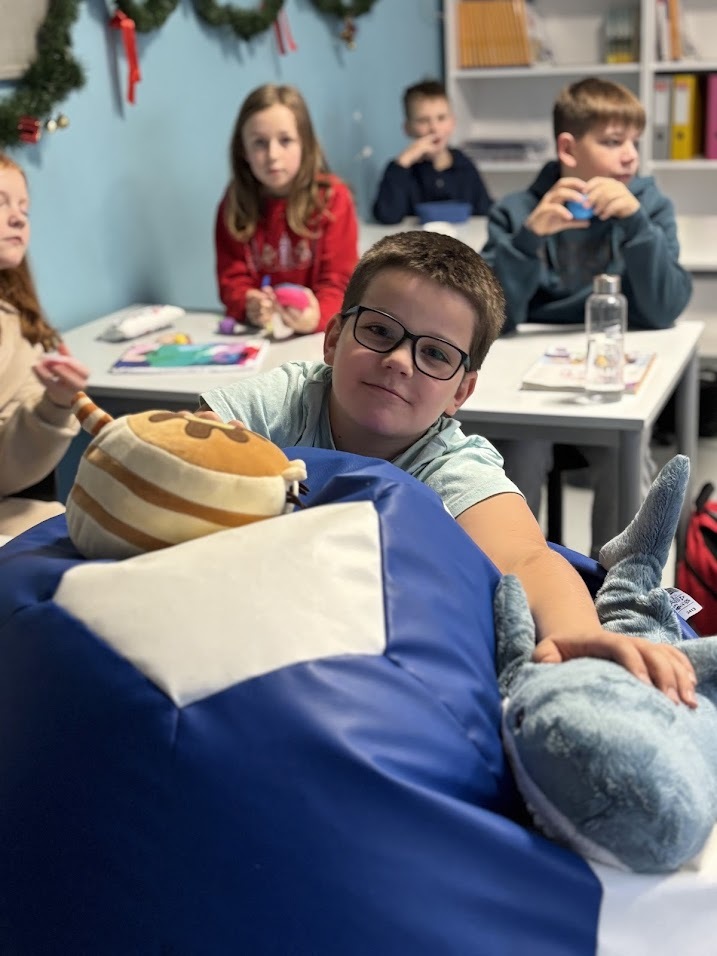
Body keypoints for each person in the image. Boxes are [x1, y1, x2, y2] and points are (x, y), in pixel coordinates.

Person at [195, 229, 696, 707]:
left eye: (435, 353)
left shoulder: (450, 461)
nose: (399, 360)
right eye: (378, 330)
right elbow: (189, 448)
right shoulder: (288, 398)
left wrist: (578, 636)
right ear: (333, 340)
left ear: (461, 391)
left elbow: (527, 558)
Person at [481, 77, 693, 557]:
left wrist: (636, 226)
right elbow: (492, 317)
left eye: (634, 142)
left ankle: (615, 587)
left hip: (609, 385)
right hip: (526, 391)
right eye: (613, 142)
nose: (631, 157)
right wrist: (528, 240)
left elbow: (664, 307)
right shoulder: (517, 211)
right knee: (511, 459)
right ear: (568, 149)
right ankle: (519, 578)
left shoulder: (649, 206)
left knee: (627, 464)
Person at [215, 83, 359, 336]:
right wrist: (249, 304)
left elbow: (340, 283)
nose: (273, 155)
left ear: (305, 144)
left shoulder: (333, 199)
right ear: (243, 151)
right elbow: (231, 281)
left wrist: (316, 317)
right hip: (260, 338)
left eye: (285, 140)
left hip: (318, 338)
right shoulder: (234, 204)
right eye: (259, 143)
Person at [0, 152, 90, 537]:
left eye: (24, 208)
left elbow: (7, 469)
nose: (18, 218)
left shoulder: (21, 331)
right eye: (1, 203)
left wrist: (54, 405)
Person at [372, 79, 492, 225]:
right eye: (423, 120)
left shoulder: (464, 167)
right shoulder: (401, 171)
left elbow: (485, 214)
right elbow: (387, 216)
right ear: (407, 128)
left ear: (452, 122)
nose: (434, 128)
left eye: (441, 118)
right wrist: (404, 160)